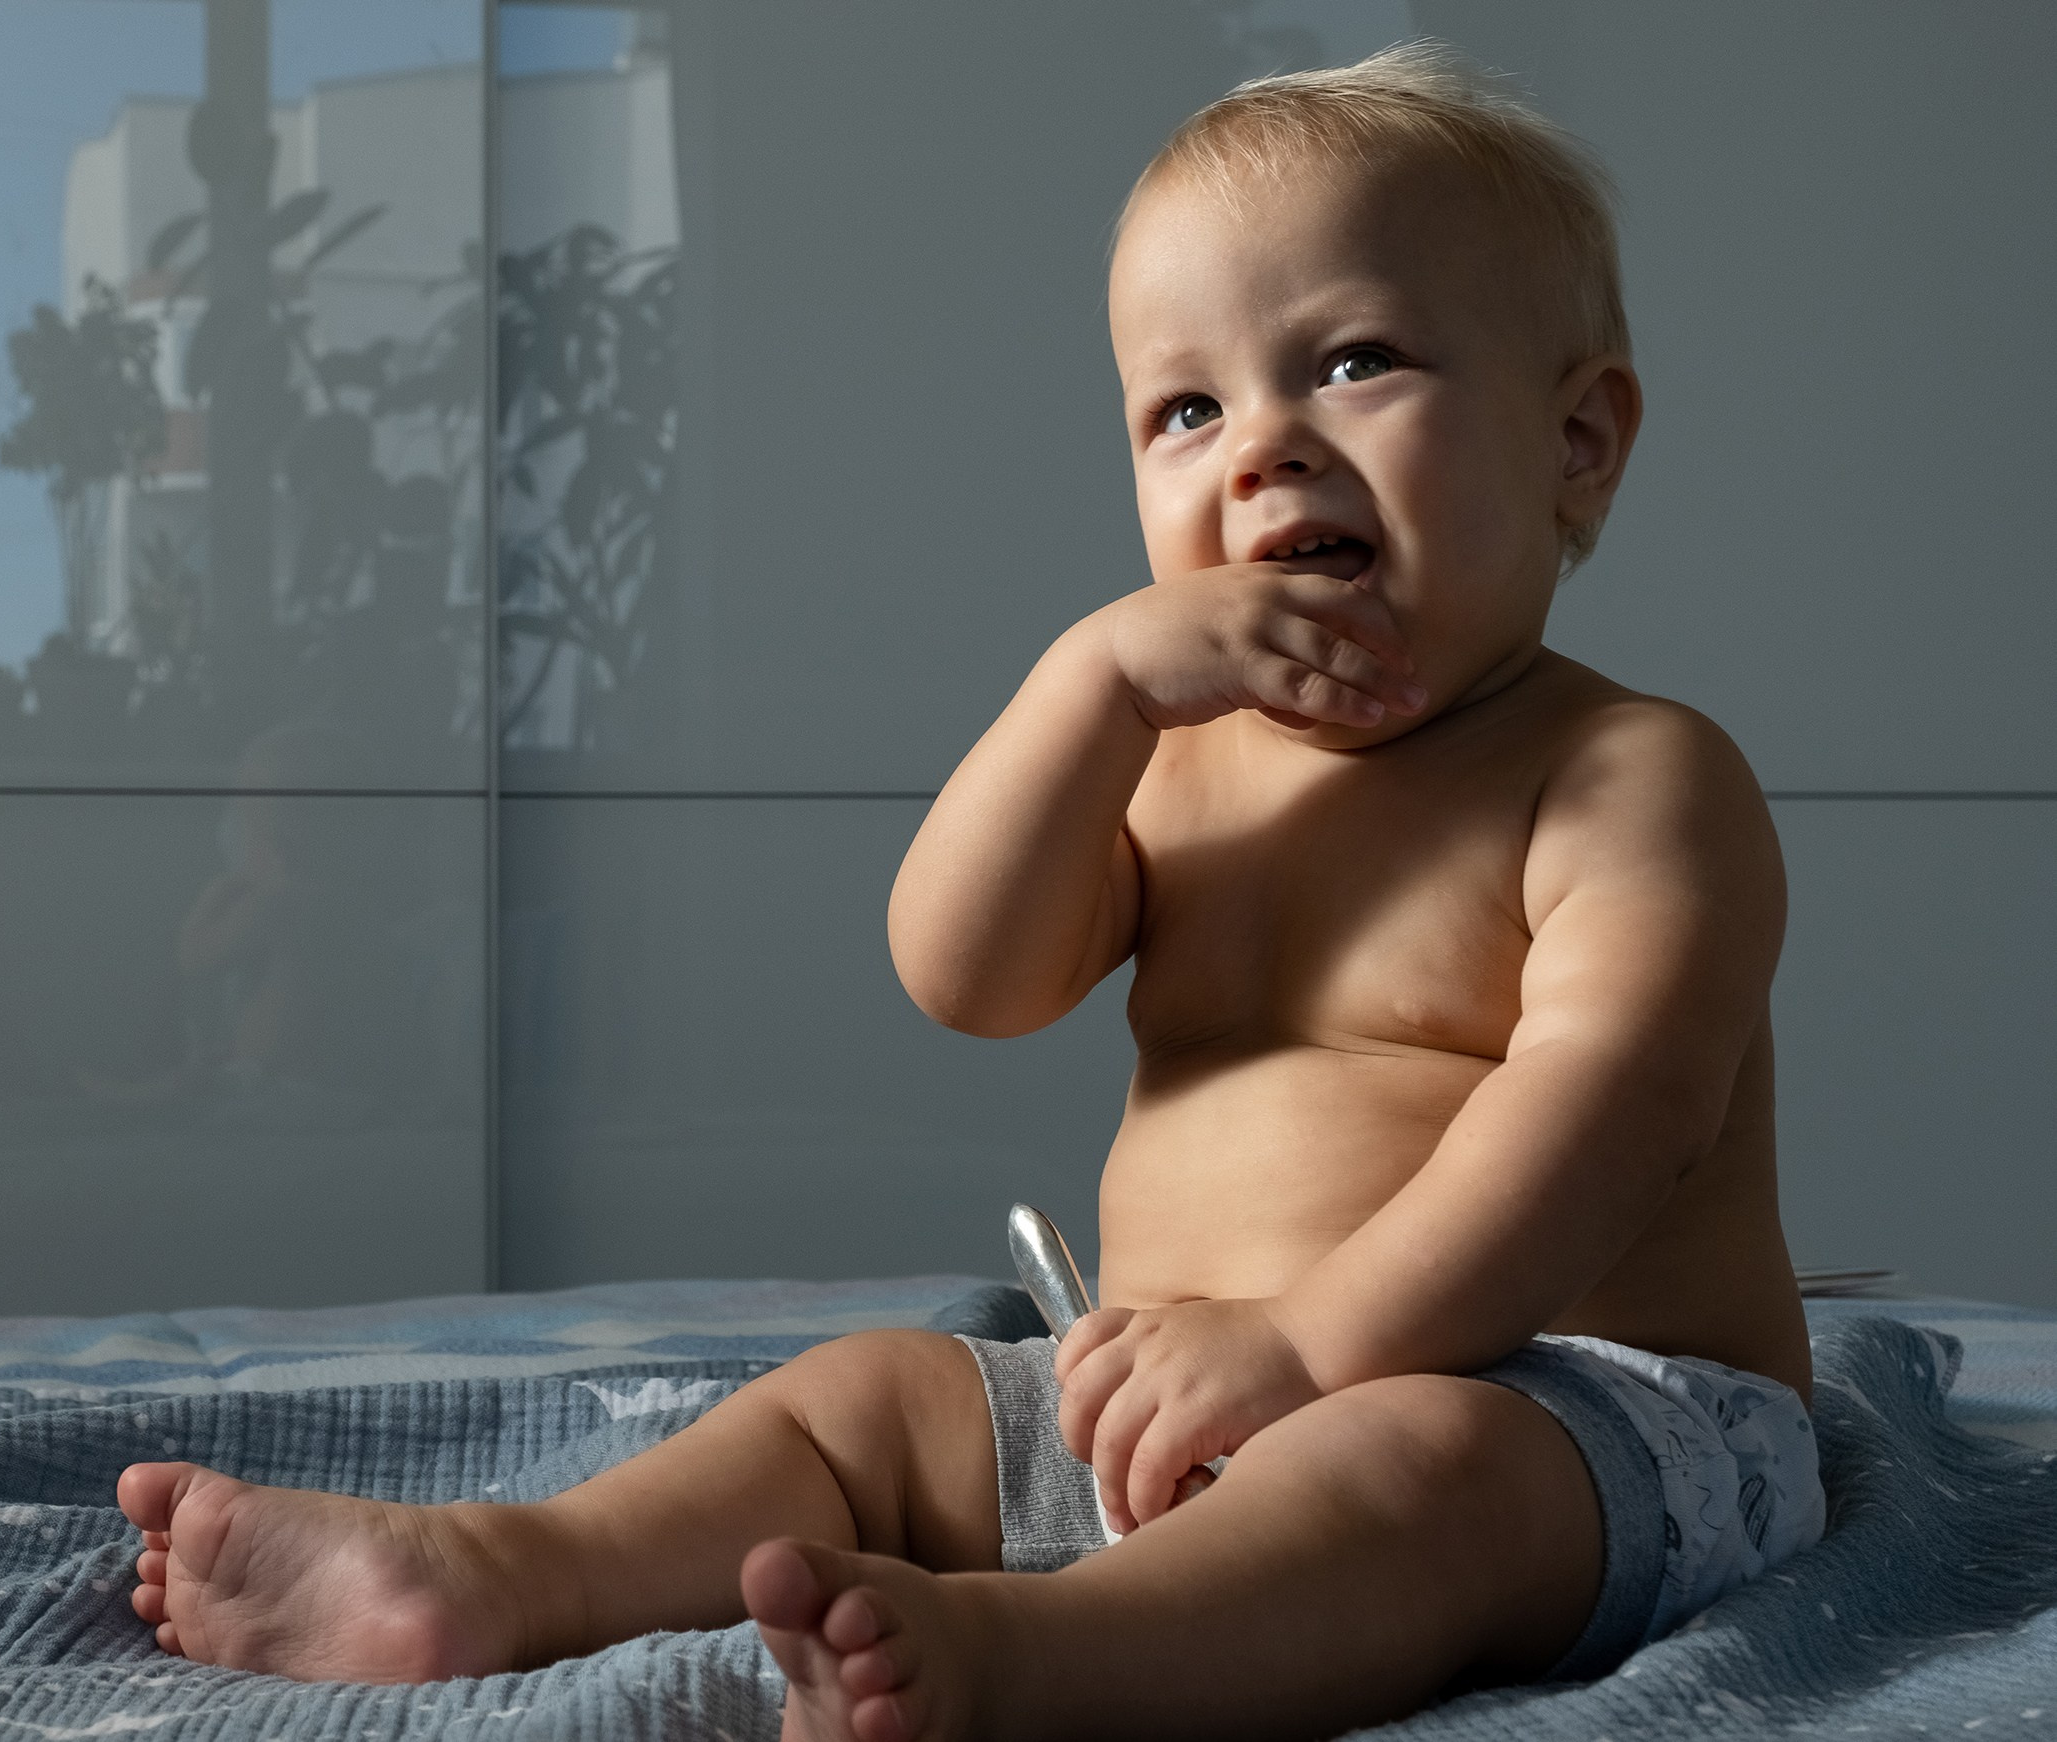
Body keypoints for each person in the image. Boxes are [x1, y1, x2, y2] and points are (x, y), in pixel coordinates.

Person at [114, 44, 1823, 1739]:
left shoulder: (1627, 773)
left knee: (1416, 1467)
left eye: (1356, 359)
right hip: (1171, 1399)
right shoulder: (1176, 765)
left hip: (1574, 1406)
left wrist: (1313, 1345)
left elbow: (1616, 1112)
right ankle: (502, 1573)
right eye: (1187, 408)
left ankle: (1033, 1662)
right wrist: (1093, 690)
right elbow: (967, 970)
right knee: (864, 1404)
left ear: (1579, 441)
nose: (1261, 450)